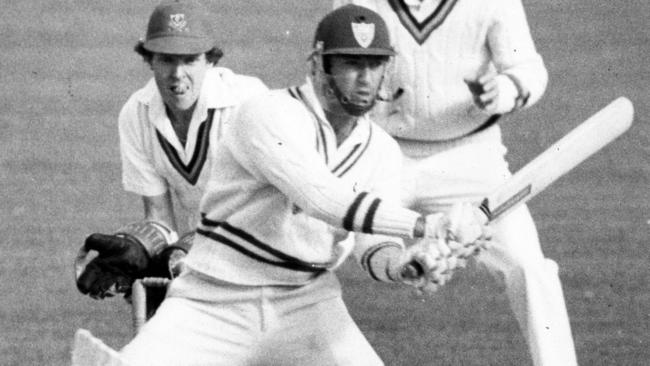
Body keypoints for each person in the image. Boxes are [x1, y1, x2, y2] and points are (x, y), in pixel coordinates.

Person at [119, 5, 490, 366]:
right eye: (350, 64)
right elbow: (321, 198)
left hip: (307, 302)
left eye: (373, 64)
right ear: (319, 64)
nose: (364, 78)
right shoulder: (267, 112)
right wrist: (428, 224)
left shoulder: (383, 152)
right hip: (214, 297)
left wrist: (403, 264)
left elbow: (374, 245)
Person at [332, 1, 578, 365]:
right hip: (381, 149)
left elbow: (527, 68)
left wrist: (504, 90)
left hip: (470, 158)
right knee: (317, 248)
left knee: (527, 265)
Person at [74, 0, 267, 300]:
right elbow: (159, 216)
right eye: (166, 59)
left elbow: (268, 207)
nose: (177, 73)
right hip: (208, 256)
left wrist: (192, 248)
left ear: (210, 60)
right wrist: (139, 247)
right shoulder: (136, 113)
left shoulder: (247, 102)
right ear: (149, 59)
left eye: (190, 60)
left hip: (272, 253)